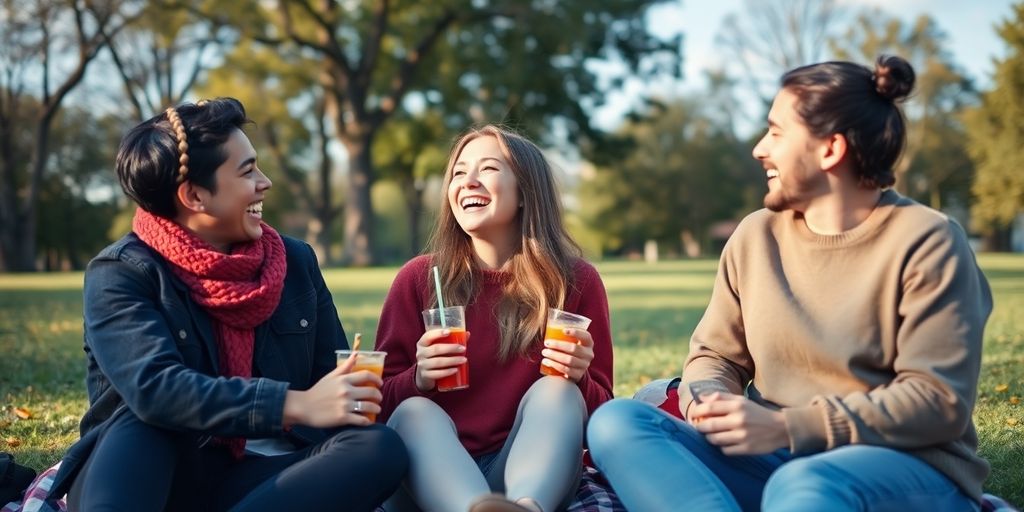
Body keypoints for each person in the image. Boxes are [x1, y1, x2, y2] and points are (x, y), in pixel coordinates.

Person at [587, 55, 993, 511]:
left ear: (830, 149)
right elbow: (715, 355)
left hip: (904, 467)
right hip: (773, 459)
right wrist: (710, 398)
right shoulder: (757, 235)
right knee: (616, 421)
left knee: (805, 485)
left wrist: (789, 427)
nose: (760, 149)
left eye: (776, 133)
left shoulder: (927, 240)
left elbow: (936, 401)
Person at [48, 98, 408, 511]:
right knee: (146, 420)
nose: (264, 182)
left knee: (378, 448)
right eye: (247, 170)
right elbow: (156, 389)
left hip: (255, 480)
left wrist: (348, 398)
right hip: (147, 476)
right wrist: (297, 404)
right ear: (195, 195)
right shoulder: (122, 272)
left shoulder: (295, 262)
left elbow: (329, 380)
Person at [375, 125, 614, 512]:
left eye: (487, 169)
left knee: (557, 391)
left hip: (527, 477)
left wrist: (579, 379)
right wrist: (417, 379)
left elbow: (602, 422)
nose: (468, 181)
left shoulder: (577, 281)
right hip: (429, 480)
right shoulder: (418, 279)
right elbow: (379, 410)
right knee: (415, 411)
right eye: (457, 173)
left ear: (525, 191)